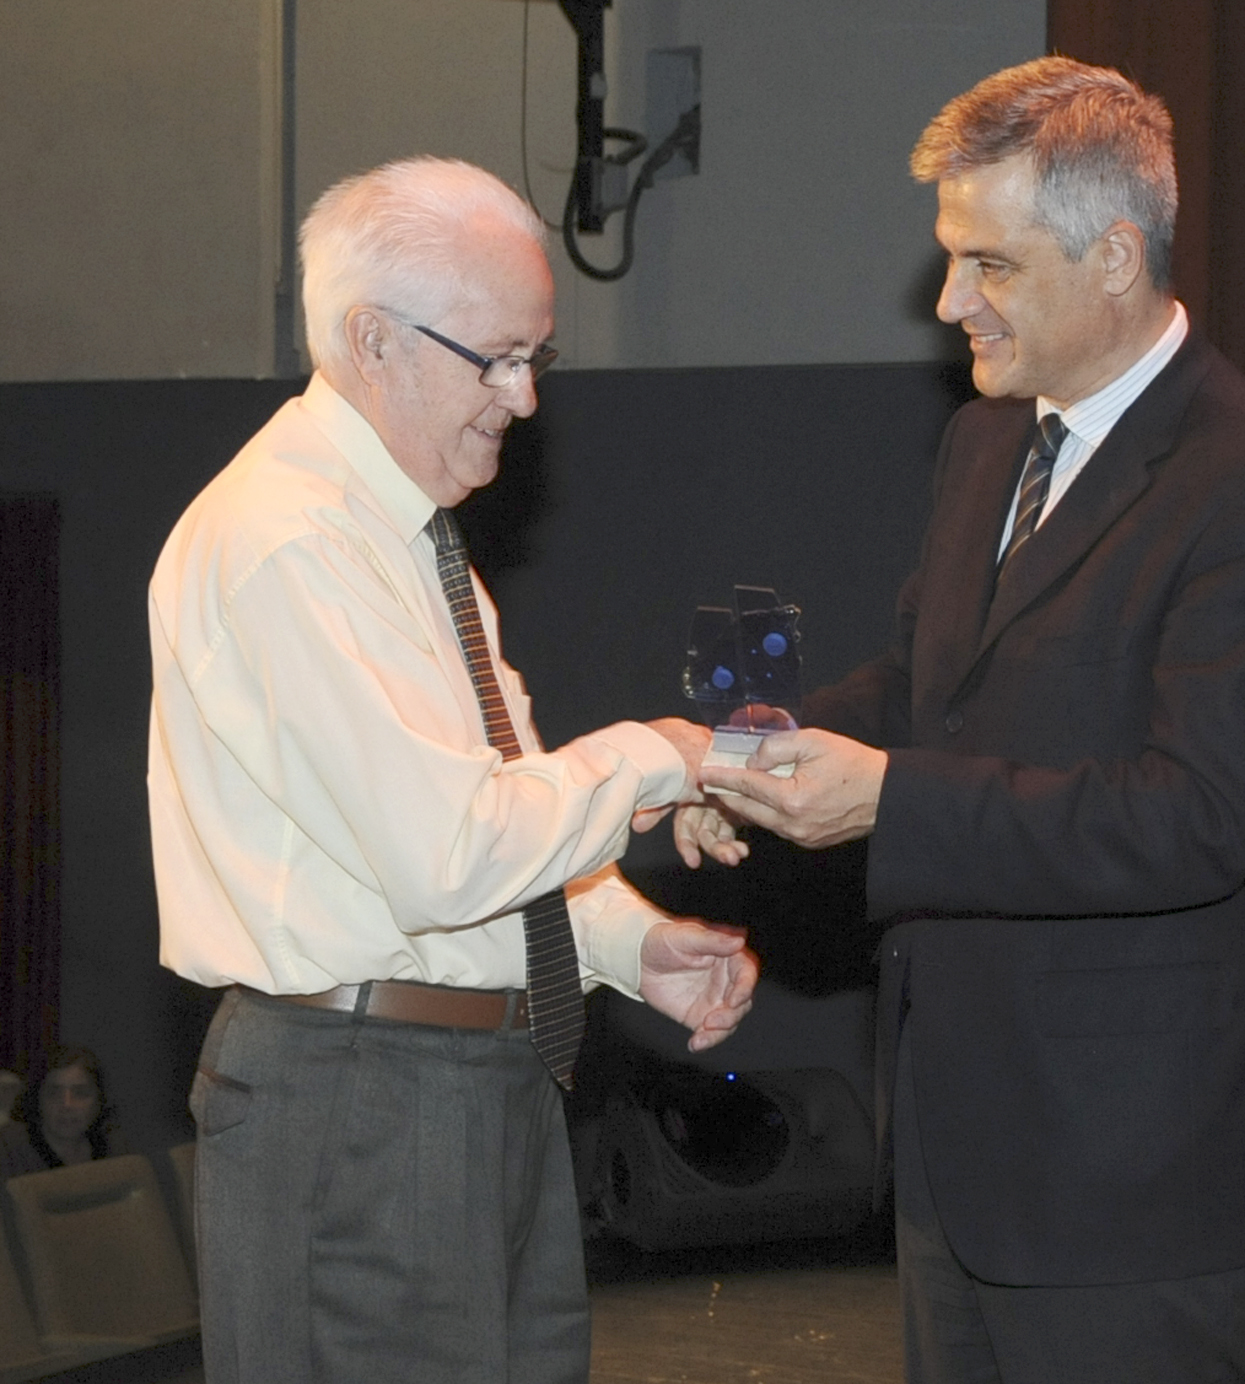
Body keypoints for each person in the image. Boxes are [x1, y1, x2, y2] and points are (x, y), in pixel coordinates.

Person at [685, 57, 1245, 1384]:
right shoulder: (991, 442)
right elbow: (928, 689)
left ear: (1115, 257)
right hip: (956, 1150)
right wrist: (751, 756)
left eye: (987, 265)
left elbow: (1195, 822)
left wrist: (888, 799)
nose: (947, 304)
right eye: (950, 261)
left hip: (1129, 1180)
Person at [147, 156, 758, 1384]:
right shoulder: (288, 543)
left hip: (478, 1083)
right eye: (497, 357)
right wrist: (663, 755)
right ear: (372, 339)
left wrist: (626, 944)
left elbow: (494, 814)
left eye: (539, 358)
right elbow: (448, 855)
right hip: (365, 1106)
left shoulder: (408, 539)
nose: (524, 399)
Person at [0, 1046, 125, 1180]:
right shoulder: (7, 1150)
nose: (67, 1104)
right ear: (37, 1099)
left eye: (80, 1093)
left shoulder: (114, 1148)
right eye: (53, 1093)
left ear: (99, 1101)